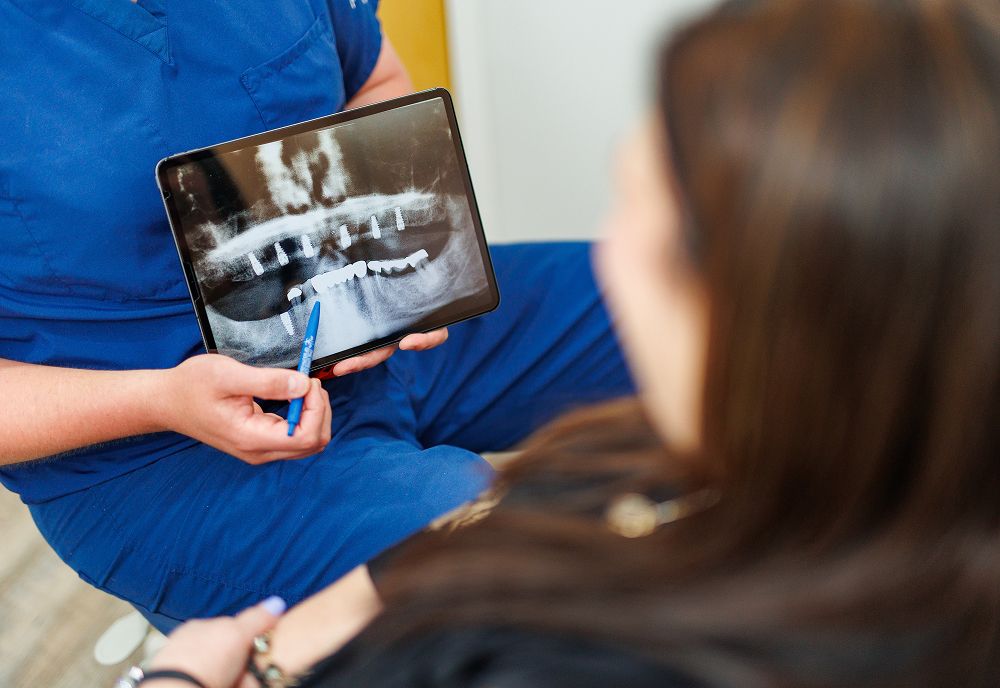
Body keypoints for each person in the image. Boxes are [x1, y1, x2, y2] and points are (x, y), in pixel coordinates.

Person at [121, 0, 1000, 688]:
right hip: (157, 447)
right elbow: (486, 539)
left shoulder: (533, 664)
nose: (606, 252)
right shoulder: (640, 469)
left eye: (632, 203)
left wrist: (175, 686)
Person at [0, 0, 632, 631]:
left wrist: (397, 272)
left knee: (685, 308)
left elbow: (376, 82)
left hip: (376, 331)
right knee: (483, 559)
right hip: (156, 451)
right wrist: (162, 399)